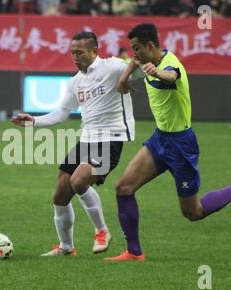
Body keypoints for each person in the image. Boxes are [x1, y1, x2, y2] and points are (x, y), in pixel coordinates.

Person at [105, 23, 231, 261]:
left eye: (137, 48)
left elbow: (171, 76)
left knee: (193, 212)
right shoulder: (144, 57)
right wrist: (124, 78)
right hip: (160, 139)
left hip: (181, 144)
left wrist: (157, 73)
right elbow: (134, 61)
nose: (134, 53)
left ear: (151, 46)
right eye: (132, 48)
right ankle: (134, 252)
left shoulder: (171, 65)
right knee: (123, 188)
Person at [12, 31, 143, 256]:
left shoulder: (112, 67)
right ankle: (65, 247)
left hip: (110, 138)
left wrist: (125, 77)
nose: (75, 57)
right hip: (86, 139)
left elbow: (139, 63)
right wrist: (34, 121)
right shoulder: (76, 81)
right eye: (72, 53)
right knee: (60, 195)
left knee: (79, 181)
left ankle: (102, 231)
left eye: (79, 53)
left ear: (94, 51)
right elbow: (61, 113)